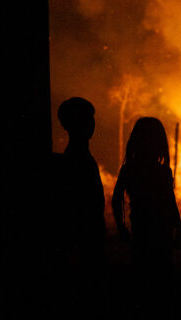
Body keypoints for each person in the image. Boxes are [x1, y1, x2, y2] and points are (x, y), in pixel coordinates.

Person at [112, 117, 181, 315]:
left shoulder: (130, 170)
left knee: (142, 277)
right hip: (160, 235)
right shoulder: (162, 172)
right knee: (163, 281)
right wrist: (179, 228)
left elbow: (116, 199)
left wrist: (121, 227)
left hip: (141, 233)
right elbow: (170, 203)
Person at [56, 97, 107, 317]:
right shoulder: (77, 160)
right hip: (87, 232)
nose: (91, 124)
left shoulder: (78, 157)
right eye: (86, 119)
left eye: (91, 119)